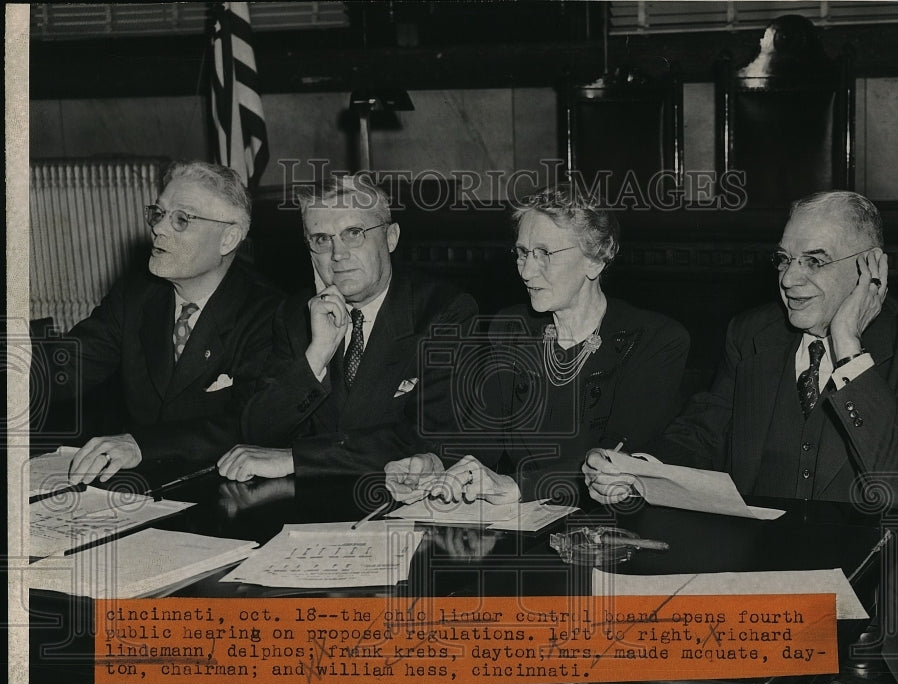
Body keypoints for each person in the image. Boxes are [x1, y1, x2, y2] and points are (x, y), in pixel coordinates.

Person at [584, 190, 898, 508]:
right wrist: (637, 472)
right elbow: (704, 433)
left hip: (874, 575)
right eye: (784, 259)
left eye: (814, 261)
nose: (789, 279)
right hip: (760, 561)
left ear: (868, 267)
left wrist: (848, 347)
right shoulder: (752, 334)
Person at [385, 183, 690, 505]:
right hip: (530, 522)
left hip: (616, 524)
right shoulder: (509, 329)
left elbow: (617, 462)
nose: (527, 271)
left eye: (545, 253)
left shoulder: (656, 340)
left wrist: (517, 487)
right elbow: (480, 440)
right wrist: (434, 465)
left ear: (596, 259)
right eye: (522, 252)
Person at [33, 160, 281, 485]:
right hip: (144, 490)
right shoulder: (137, 295)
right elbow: (65, 365)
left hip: (232, 490)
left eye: (181, 219)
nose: (158, 229)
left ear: (228, 238)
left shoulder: (269, 312)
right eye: (159, 213)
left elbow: (251, 424)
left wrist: (141, 445)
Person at [217, 174, 478, 481]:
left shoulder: (445, 312)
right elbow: (257, 432)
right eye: (321, 239)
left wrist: (298, 459)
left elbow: (431, 439)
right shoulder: (295, 315)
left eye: (353, 233)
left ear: (391, 237)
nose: (337, 254)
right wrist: (317, 355)